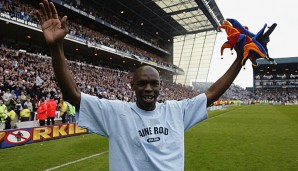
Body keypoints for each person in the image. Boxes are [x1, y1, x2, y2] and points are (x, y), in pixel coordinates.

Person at [36, 1, 245, 170]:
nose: (148, 89)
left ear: (160, 87)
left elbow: (211, 93)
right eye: (142, 83)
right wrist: (56, 47)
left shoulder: (177, 111)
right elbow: (73, 95)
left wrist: (240, 59)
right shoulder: (115, 112)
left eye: (154, 84)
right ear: (132, 85)